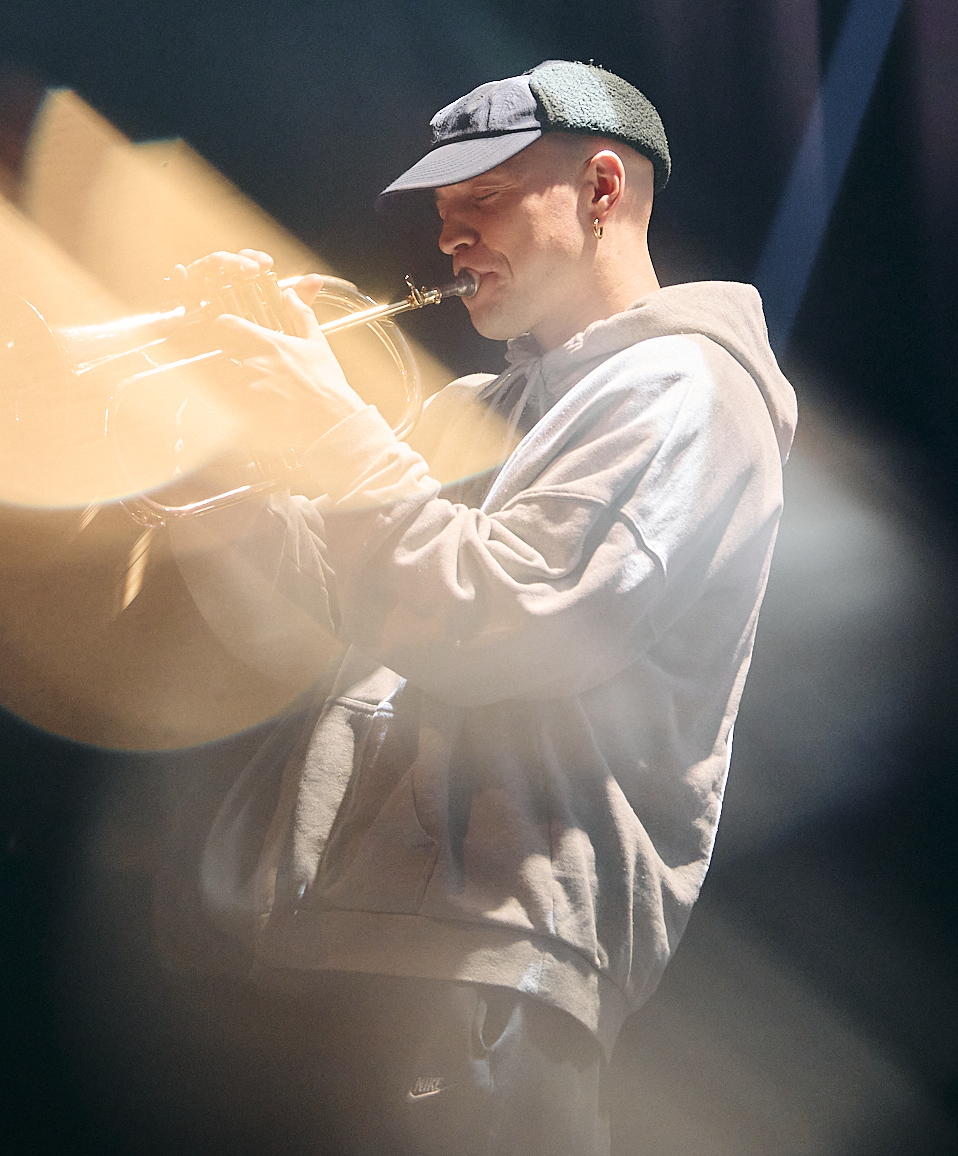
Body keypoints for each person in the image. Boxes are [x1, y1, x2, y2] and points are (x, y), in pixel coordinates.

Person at [161, 60, 798, 1154]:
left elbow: (501, 618)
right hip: (349, 944)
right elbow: (309, 626)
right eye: (444, 209)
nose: (450, 236)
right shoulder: (479, 407)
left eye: (486, 199)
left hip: (483, 965)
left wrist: (331, 429)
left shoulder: (686, 389)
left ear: (602, 189)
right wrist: (204, 455)